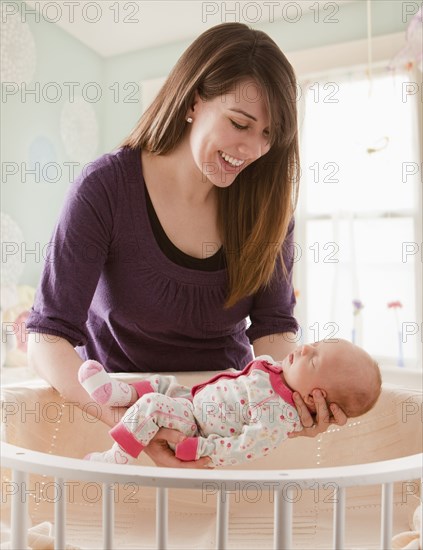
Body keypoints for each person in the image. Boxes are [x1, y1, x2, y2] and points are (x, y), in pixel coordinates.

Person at [26, 22, 348, 469]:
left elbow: (273, 330)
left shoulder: (267, 208)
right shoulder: (105, 189)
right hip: (117, 417)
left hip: (224, 421)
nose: (253, 149)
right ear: (194, 100)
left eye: (269, 135)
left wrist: (294, 398)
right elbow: (48, 334)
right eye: (240, 123)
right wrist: (126, 420)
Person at [78, 339, 381, 467]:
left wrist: (202, 450)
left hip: (194, 427)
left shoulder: (277, 415)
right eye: (313, 345)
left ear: (318, 399)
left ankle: (115, 459)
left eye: (313, 360)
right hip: (191, 399)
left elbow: (244, 448)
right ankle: (116, 393)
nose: (303, 349)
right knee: (162, 384)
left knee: (155, 405)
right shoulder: (278, 371)